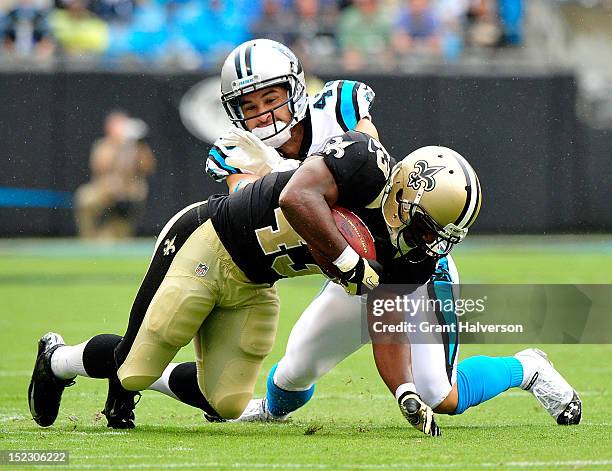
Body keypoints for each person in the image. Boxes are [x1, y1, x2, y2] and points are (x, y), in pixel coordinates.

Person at [28, 130, 480, 436]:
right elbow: (296, 195)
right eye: (426, 228)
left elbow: (388, 322)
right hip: (209, 240)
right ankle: (58, 359)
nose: (429, 243)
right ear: (408, 192)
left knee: (223, 401)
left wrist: (404, 392)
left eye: (440, 236)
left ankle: (128, 374)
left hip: (256, 282)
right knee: (135, 366)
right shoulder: (365, 162)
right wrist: (346, 259)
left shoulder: (413, 256)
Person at [74, 110, 156, 239]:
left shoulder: (137, 147)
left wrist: (139, 146)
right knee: (85, 197)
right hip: (104, 190)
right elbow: (100, 166)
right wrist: (119, 146)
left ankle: (117, 236)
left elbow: (148, 167)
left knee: (117, 234)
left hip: (129, 191)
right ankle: (88, 238)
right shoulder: (103, 145)